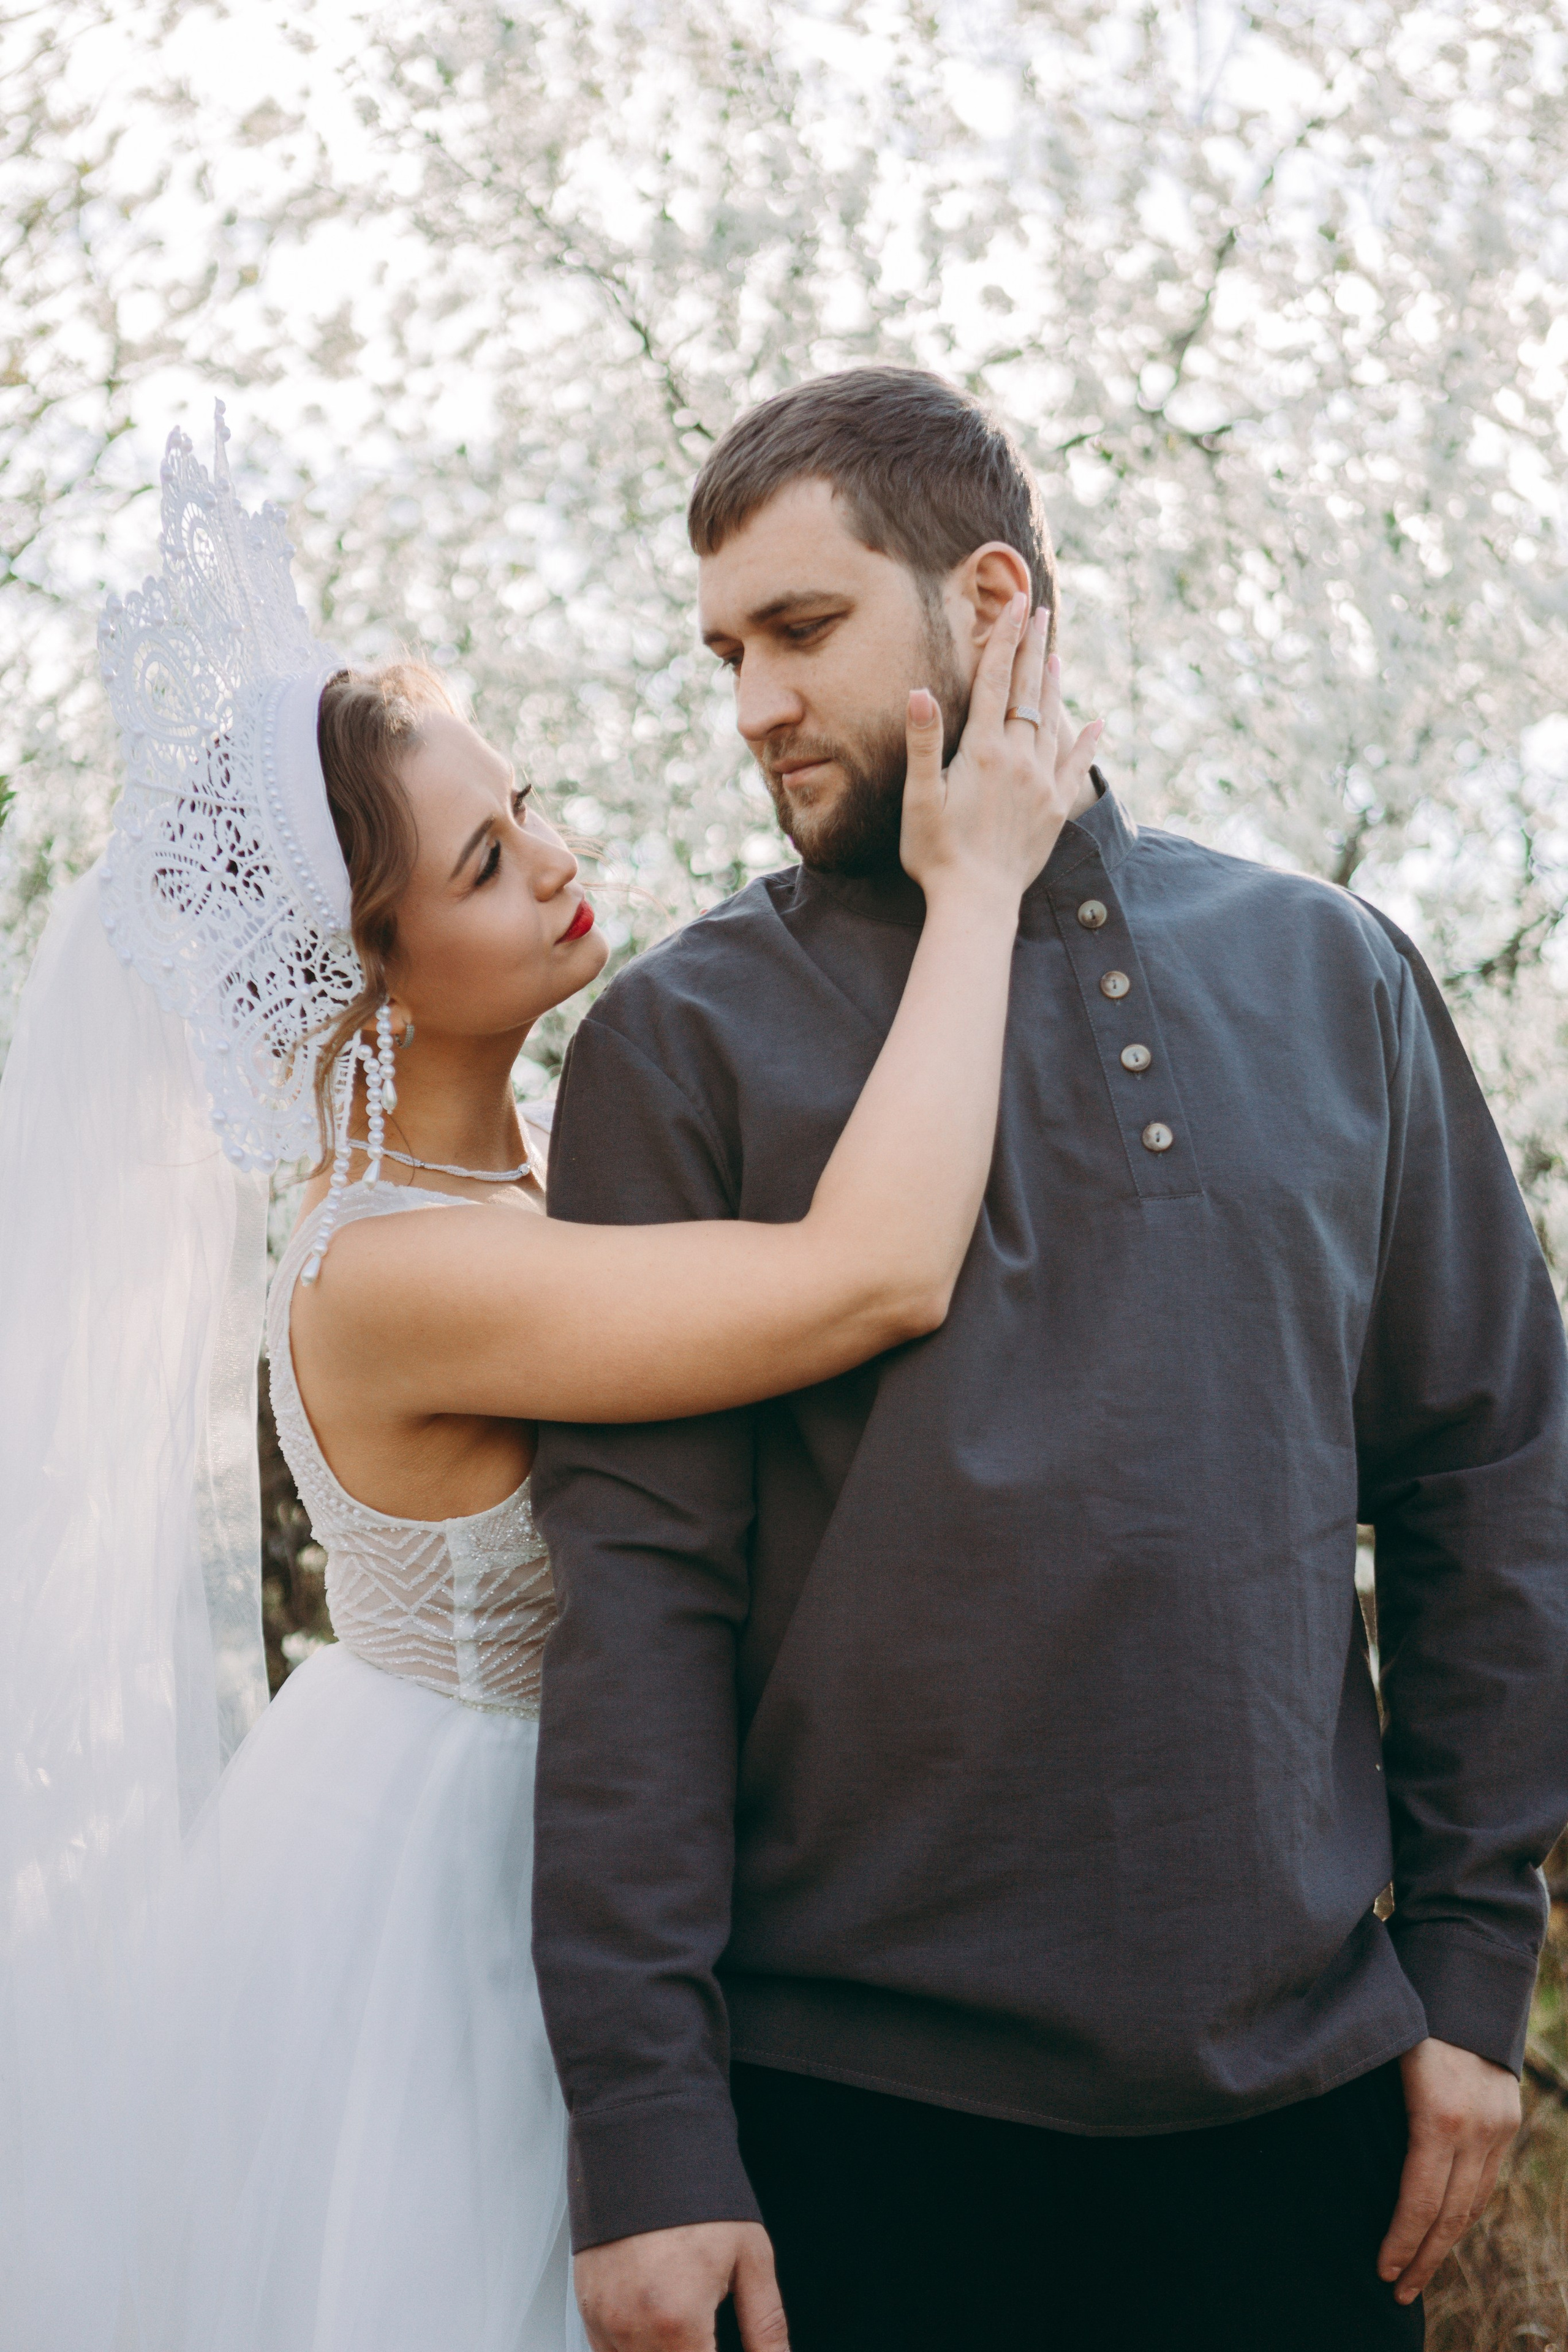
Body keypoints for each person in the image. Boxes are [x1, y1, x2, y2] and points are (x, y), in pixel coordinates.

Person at [0, 410, 1098, 2351]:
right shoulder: (400, 1273)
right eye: (494, 864)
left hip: (599, 1848)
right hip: (462, 1904)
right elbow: (873, 1274)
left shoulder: (526, 1167)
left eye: (531, 808)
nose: (567, 867)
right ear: (372, 970)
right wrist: (986, 882)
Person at [529, 366, 1568, 2352]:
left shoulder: (1329, 970)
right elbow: (642, 1602)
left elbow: (1488, 1467)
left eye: (802, 630)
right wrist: (648, 2125)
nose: (751, 705)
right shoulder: (680, 1047)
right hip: (852, 2132)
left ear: (992, 598)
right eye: (725, 651)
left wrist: (1466, 1976)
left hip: (1301, 2115)